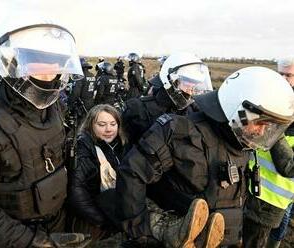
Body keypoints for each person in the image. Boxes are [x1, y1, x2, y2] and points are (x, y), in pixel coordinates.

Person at [114, 66, 294, 248]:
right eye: (260, 123)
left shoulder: (242, 147)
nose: (262, 131)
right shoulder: (178, 131)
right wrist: (143, 232)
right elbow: (132, 173)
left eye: (269, 126)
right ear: (240, 111)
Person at [0, 23, 91, 247]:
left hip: (57, 222)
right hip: (12, 238)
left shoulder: (54, 109)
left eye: (56, 63)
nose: (50, 71)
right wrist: (35, 242)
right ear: (13, 65)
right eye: (39, 62)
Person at [122, 53, 213, 146]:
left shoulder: (194, 111)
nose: (191, 90)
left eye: (195, 84)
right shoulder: (138, 109)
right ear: (171, 81)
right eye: (187, 83)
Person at [67, 104, 127, 244]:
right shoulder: (83, 148)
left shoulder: (120, 145)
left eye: (113, 124)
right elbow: (76, 192)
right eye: (102, 124)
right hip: (92, 219)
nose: (108, 129)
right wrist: (101, 221)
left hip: (114, 210)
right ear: (91, 126)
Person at [257, 57, 294, 248]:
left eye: (289, 75)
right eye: (281, 74)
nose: (284, 79)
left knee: (283, 216)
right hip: (259, 177)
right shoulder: (269, 96)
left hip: (283, 184)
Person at [68, 57, 97, 125]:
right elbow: (95, 88)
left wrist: (70, 103)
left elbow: (76, 93)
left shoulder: (80, 76)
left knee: (81, 124)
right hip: (90, 101)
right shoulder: (92, 75)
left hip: (82, 104)